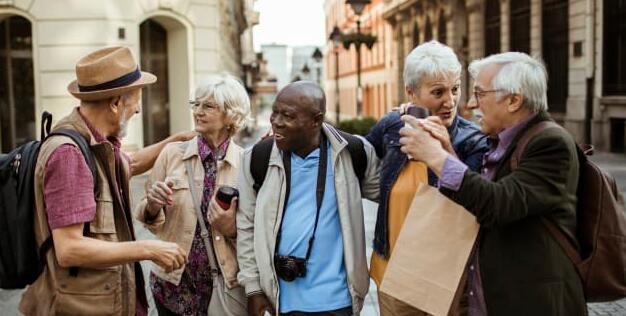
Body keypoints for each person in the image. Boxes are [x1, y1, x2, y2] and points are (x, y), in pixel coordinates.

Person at [399, 52, 586, 315]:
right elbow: (480, 198)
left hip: (533, 302)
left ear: (513, 100)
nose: (471, 104)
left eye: (480, 94)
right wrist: (448, 153)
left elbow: (499, 204)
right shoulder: (504, 140)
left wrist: (436, 157)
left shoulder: (551, 143)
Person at [19, 46, 192, 316]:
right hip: (82, 307)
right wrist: (148, 248)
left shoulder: (94, 144)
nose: (138, 109)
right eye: (135, 100)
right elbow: (69, 248)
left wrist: (174, 141)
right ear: (115, 104)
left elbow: (129, 164)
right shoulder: (69, 155)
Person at [365, 40, 489, 315]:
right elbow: (354, 157)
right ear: (411, 93)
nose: (450, 101)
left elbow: (474, 200)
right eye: (438, 92)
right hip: (394, 276)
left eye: (455, 89)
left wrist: (443, 149)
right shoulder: (392, 127)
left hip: (448, 280)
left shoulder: (472, 140)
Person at [237, 81, 380, 316]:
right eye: (275, 112)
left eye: (288, 116)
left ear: (316, 119)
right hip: (281, 299)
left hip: (339, 300)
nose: (276, 121)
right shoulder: (257, 157)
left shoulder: (353, 152)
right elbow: (246, 225)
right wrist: (253, 289)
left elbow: (392, 198)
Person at [135, 74, 250, 315]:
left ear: (231, 114)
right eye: (195, 104)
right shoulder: (171, 154)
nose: (198, 111)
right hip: (173, 282)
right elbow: (150, 221)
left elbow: (255, 233)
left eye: (207, 106)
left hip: (222, 284)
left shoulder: (246, 163)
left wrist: (231, 228)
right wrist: (153, 206)